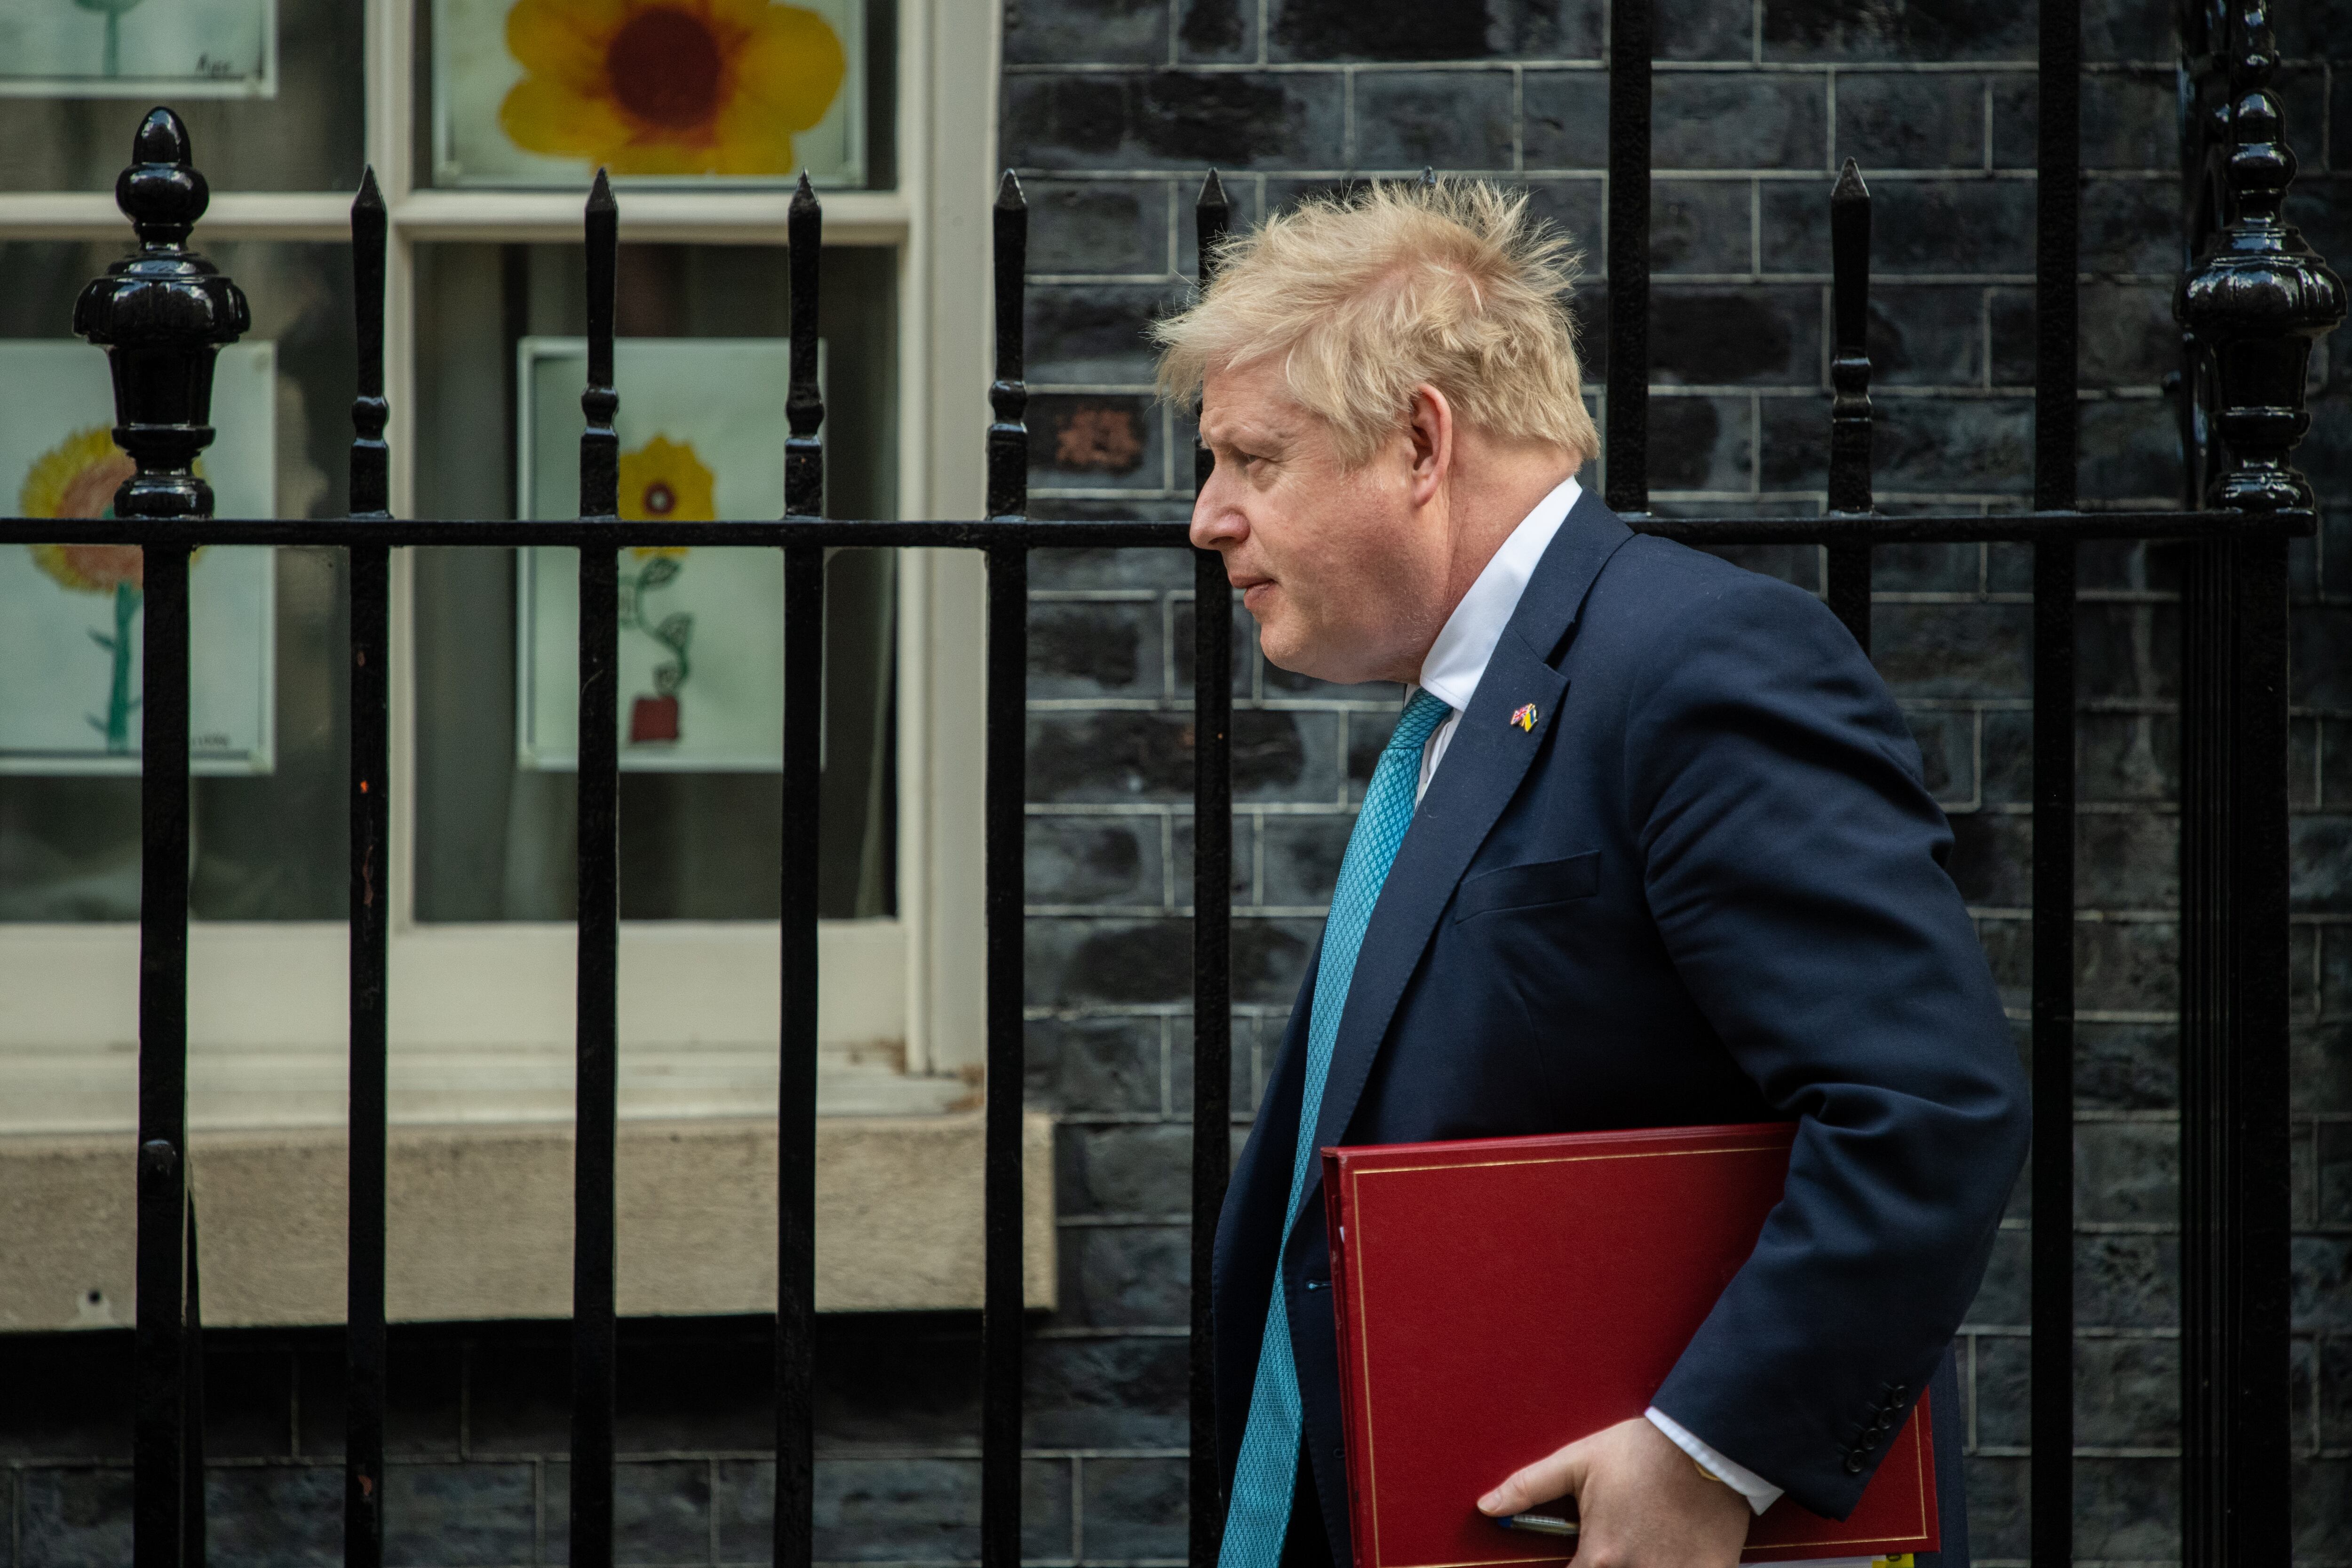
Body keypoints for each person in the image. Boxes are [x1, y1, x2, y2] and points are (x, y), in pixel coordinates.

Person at [1153, 179, 2029, 1568]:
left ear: (1420, 441)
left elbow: (1923, 1103)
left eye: (1252, 459)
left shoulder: (1701, 666)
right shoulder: (1472, 705)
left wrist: (1707, 1455)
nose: (1209, 518)